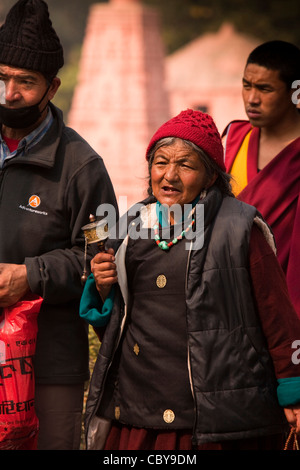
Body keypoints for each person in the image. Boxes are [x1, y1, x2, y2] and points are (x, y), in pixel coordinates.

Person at [80, 109, 300, 451]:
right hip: (139, 412)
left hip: (216, 417)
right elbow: (116, 328)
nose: (170, 175)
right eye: (161, 162)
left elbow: (278, 318)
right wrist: (104, 286)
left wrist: (293, 390)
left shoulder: (239, 228)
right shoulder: (130, 227)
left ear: (211, 176)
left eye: (186, 164)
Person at [0, 0, 118, 450]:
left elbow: (102, 259)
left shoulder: (82, 167)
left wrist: (30, 275)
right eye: (1, 78)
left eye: (25, 82)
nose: (8, 94)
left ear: (53, 87)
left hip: (46, 367)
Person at [223, 40, 300, 319]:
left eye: (265, 89)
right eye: (247, 86)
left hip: (282, 310)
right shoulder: (233, 140)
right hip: (226, 303)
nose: (252, 99)